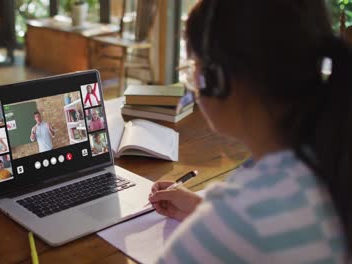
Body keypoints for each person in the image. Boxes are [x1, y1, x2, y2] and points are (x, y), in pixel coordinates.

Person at [148, 0, 351, 262]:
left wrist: (219, 223)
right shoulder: (331, 160)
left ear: (217, 78)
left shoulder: (240, 216)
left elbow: (252, 222)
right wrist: (203, 210)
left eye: (192, 68)